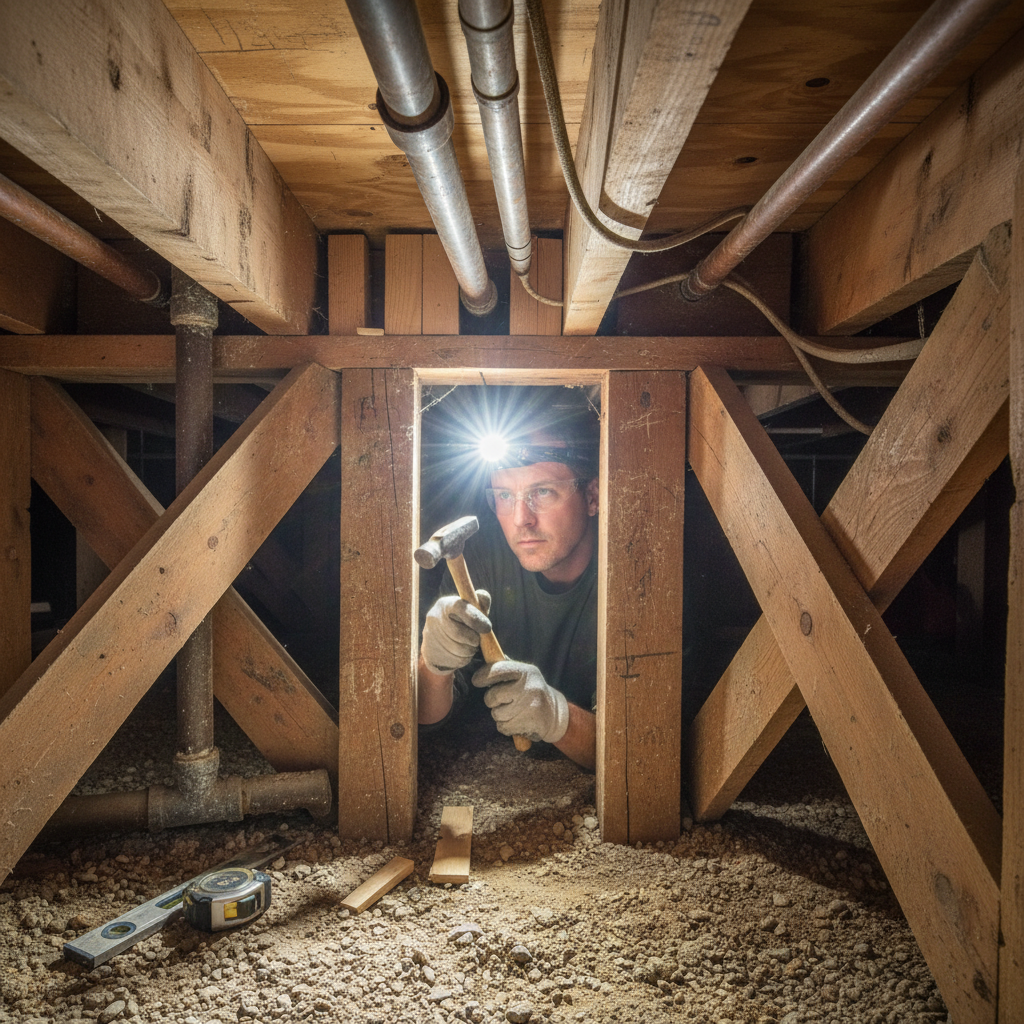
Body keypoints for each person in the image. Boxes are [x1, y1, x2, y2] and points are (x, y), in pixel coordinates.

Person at [417, 398, 599, 769]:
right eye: (504, 495)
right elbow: (425, 718)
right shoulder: (476, 561)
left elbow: (646, 753)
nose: (520, 519)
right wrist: (433, 667)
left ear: (592, 496)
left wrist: (556, 717)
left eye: (543, 492)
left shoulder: (639, 573)